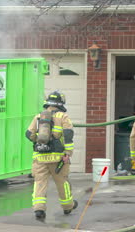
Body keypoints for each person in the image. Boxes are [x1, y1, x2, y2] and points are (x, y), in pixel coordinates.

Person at [25, 91, 78, 219]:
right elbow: (68, 135)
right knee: (62, 183)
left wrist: (38, 142)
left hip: (40, 158)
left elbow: (28, 134)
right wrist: (68, 153)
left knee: (40, 183)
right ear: (61, 103)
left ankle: (39, 209)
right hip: (58, 158)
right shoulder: (63, 116)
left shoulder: (38, 116)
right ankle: (67, 207)